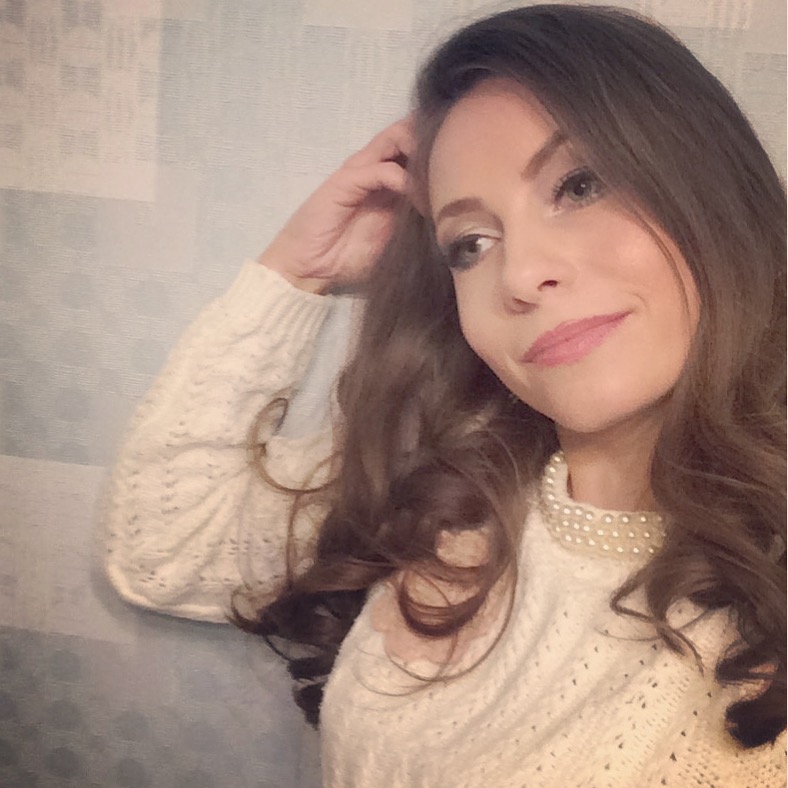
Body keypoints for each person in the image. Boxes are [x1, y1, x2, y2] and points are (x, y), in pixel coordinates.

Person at [101, 4, 786, 785]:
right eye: (470, 244)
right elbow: (166, 549)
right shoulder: (452, 496)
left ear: (709, 186)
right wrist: (297, 272)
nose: (519, 274)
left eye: (580, 185)